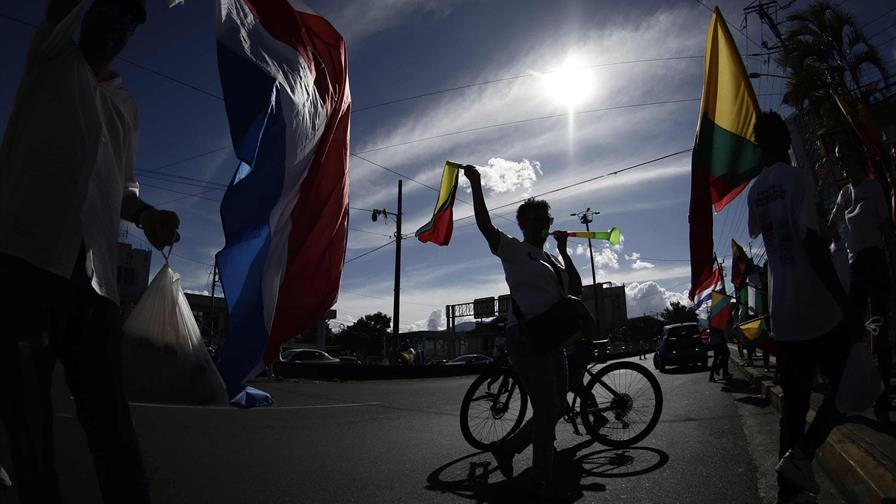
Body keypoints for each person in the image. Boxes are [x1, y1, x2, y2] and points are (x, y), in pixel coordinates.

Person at [0, 1, 180, 502]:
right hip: (25, 265)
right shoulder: (52, 57)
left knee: (111, 423)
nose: (118, 29)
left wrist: (147, 217)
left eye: (130, 23)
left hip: (93, 279)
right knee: (29, 427)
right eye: (111, 11)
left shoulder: (125, 106)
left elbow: (124, 187)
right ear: (88, 13)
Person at [463, 164, 593, 500]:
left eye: (547, 220)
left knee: (558, 407)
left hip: (553, 339)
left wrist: (564, 252)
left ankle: (508, 449)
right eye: (538, 220)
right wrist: (476, 184)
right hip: (525, 337)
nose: (545, 226)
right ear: (523, 224)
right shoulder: (513, 249)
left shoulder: (551, 258)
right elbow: (484, 225)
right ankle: (541, 479)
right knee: (547, 411)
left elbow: (575, 288)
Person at [747, 111, 855, 504]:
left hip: (785, 314)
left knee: (792, 408)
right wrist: (844, 302)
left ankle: (787, 492)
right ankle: (805, 453)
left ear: (761, 145)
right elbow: (810, 241)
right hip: (817, 308)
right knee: (848, 388)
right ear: (786, 143)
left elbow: (763, 234)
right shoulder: (794, 179)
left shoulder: (756, 190)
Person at [827, 142, 893, 423]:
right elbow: (830, 228)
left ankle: (883, 398)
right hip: (856, 268)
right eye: (839, 159)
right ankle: (850, 393)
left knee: (879, 331)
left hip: (875, 263)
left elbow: (887, 230)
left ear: (857, 158)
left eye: (845, 158)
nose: (842, 164)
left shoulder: (872, 189)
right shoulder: (845, 194)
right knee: (851, 331)